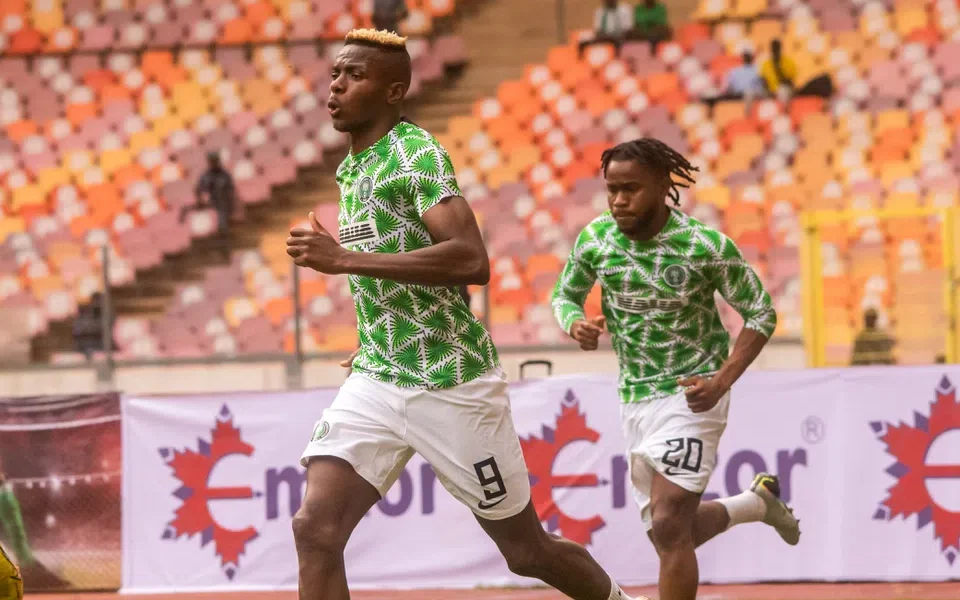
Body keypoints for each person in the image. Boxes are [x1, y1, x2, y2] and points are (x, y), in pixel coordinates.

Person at [285, 29, 636, 600]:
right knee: (314, 530)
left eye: (354, 75)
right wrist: (380, 332)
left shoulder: (414, 153)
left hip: (452, 382)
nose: (336, 86)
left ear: (393, 91)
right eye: (335, 74)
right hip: (379, 375)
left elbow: (471, 260)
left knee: (526, 553)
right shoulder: (354, 167)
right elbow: (396, 267)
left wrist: (341, 257)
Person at [551, 138, 801, 600]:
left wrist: (721, 382)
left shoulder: (704, 245)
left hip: (693, 392)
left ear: (664, 186)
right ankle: (756, 503)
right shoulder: (596, 238)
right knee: (669, 533)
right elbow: (564, 296)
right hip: (634, 398)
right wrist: (574, 324)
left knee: (668, 524)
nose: (620, 200)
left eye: (631, 189)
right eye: (612, 190)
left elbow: (761, 313)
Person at [195, 151, 237, 260]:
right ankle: (215, 252)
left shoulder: (225, 174)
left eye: (215, 161)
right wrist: (201, 201)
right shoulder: (205, 175)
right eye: (212, 161)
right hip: (211, 206)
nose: (214, 163)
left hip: (224, 205)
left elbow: (230, 191)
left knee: (222, 226)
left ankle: (225, 253)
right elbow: (198, 190)